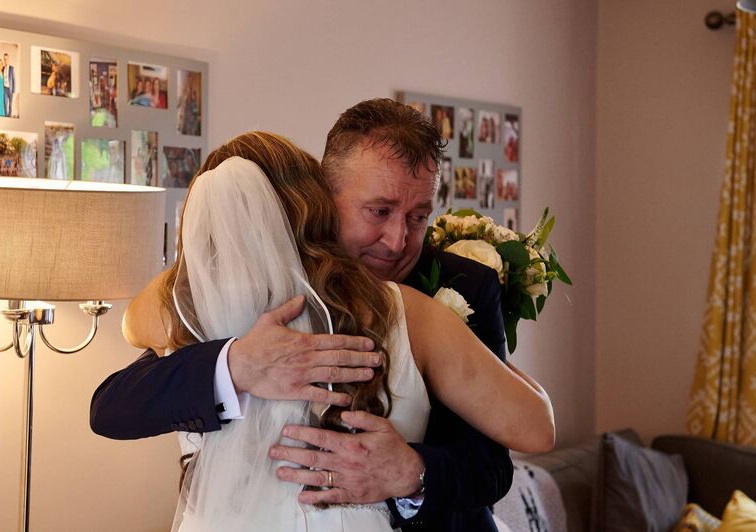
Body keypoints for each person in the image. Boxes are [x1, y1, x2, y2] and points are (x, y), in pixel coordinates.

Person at [91, 99, 540, 531]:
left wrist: (411, 473)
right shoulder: (230, 298)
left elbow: (495, 462)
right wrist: (234, 365)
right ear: (325, 199)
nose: (398, 240)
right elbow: (116, 401)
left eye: (419, 216)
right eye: (379, 211)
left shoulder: (461, 287)